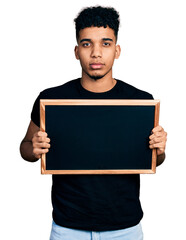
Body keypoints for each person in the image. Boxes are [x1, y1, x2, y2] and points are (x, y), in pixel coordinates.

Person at [20, 6, 167, 240]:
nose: (96, 53)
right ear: (77, 51)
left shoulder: (140, 101)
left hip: (125, 227)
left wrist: (159, 149)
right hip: (68, 227)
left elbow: (155, 160)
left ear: (117, 50)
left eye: (105, 43)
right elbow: (25, 148)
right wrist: (34, 147)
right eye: (87, 44)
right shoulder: (51, 99)